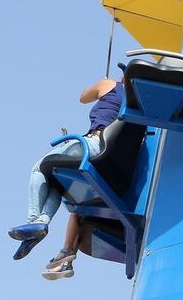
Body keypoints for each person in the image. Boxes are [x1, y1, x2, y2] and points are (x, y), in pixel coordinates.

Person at [8, 78, 123, 280]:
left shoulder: (111, 85)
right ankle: (42, 224)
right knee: (56, 180)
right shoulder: (137, 105)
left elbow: (83, 97)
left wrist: (104, 81)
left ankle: (34, 220)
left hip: (93, 143)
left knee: (39, 168)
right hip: (111, 157)